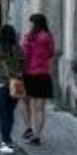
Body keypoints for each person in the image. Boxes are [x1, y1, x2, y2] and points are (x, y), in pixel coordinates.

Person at [21, 13, 57, 145]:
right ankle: (37, 135)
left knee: (25, 102)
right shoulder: (48, 37)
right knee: (40, 107)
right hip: (43, 74)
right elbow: (51, 53)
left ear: (34, 24)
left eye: (31, 23)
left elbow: (24, 54)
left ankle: (28, 128)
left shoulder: (28, 38)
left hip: (28, 74)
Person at [0, 23, 22, 153]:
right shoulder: (18, 50)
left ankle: (5, 139)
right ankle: (7, 137)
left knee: (2, 114)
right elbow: (23, 65)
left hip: (0, 84)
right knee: (10, 113)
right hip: (15, 83)